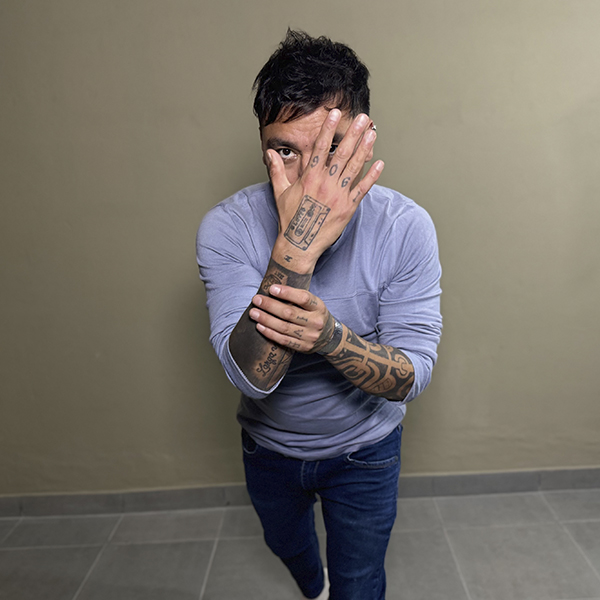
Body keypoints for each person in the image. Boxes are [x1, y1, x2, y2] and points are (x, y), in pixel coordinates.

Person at [196, 29, 442, 600]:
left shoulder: (406, 227)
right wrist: (297, 246)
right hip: (270, 448)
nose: (311, 181)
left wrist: (331, 338)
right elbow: (251, 378)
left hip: (366, 451)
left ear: (363, 138)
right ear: (262, 142)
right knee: (290, 550)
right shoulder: (227, 228)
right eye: (286, 150)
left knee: (360, 581)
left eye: (330, 150)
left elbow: (411, 376)